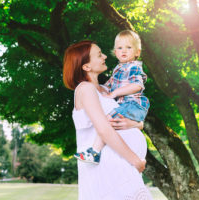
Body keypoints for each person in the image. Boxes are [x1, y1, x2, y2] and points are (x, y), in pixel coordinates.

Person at [63, 40, 152, 199]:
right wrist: (135, 161)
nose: (104, 56)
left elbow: (133, 119)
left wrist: (135, 124)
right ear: (86, 66)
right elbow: (104, 130)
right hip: (105, 168)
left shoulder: (107, 90)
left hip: (121, 165)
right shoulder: (85, 89)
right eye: (98, 54)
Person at [74, 30, 150, 164]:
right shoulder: (116, 70)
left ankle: (95, 151)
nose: (124, 51)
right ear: (115, 52)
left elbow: (137, 85)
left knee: (108, 119)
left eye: (129, 47)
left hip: (133, 104)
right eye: (120, 48)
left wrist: (138, 124)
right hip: (127, 109)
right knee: (107, 120)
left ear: (137, 52)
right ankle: (94, 152)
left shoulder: (133, 67)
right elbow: (111, 84)